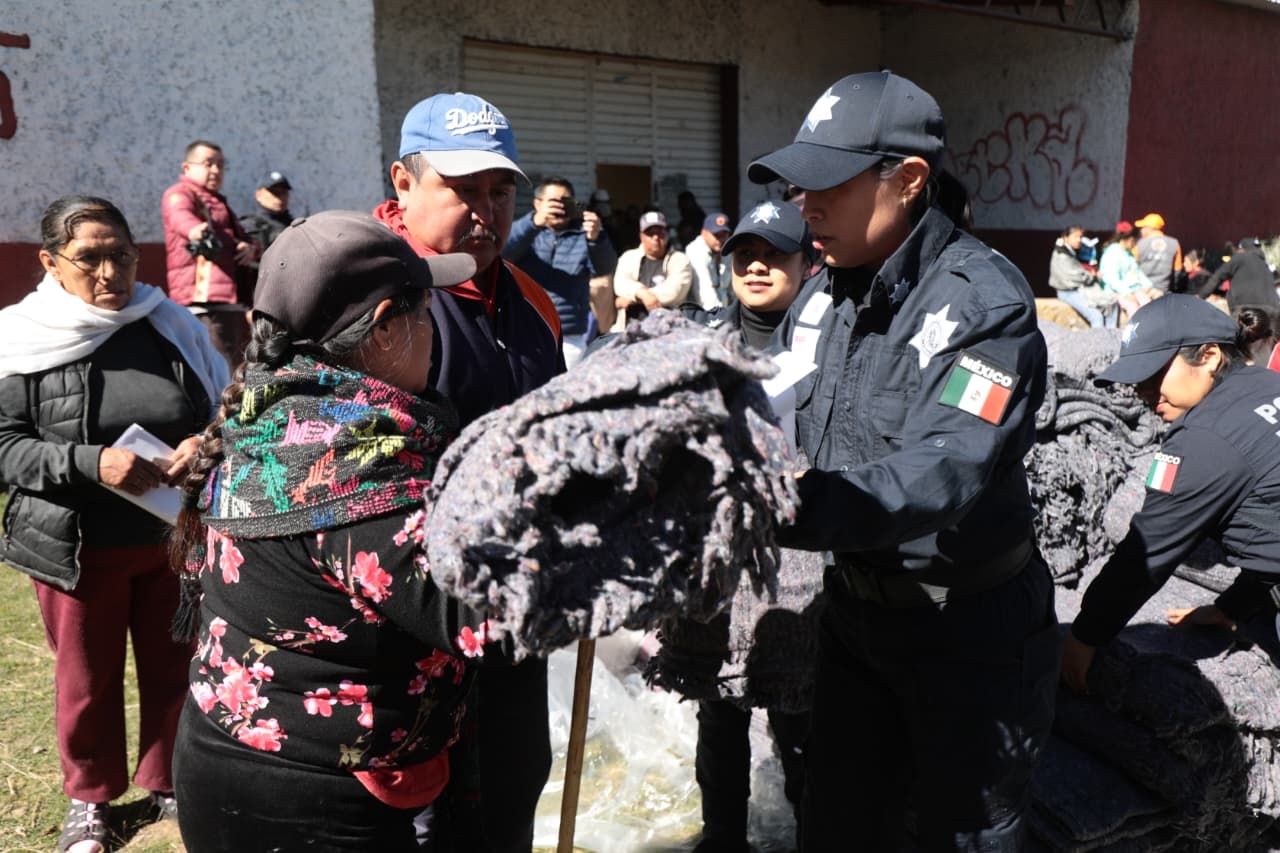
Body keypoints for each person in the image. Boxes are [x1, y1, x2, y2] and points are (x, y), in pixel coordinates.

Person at [751, 71, 1057, 851]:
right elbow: (770, 398)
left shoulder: (983, 305)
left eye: (827, 184)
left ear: (909, 179)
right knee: (840, 821)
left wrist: (781, 503)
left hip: (968, 631)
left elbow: (942, 468)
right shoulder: (822, 295)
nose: (803, 205)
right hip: (855, 616)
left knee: (969, 835)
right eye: (797, 183)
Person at [169, 211, 487, 851]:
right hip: (308, 800)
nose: (434, 329)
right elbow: (483, 611)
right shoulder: (353, 467)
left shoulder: (274, 411)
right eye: (424, 311)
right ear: (385, 327)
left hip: (232, 748)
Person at [0, 195, 229, 853]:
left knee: (173, 668)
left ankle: (169, 782)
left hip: (170, 537)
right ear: (50, 262)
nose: (110, 273)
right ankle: (90, 799)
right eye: (89, 259)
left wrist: (203, 444)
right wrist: (92, 462)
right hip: (78, 546)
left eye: (121, 255)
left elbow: (218, 409)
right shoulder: (23, 335)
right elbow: (5, 444)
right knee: (86, 679)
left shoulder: (168, 322)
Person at [372, 91, 562, 851]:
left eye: (500, 189)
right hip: (404, 627)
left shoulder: (536, 302)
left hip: (515, 613)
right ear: (403, 183)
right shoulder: (371, 304)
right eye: (462, 189)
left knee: (513, 788)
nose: (486, 210)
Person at [681, 199, 817, 853]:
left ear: (807, 262)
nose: (757, 266)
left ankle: (811, 829)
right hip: (718, 559)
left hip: (800, 562)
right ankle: (723, 836)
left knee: (800, 717)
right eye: (745, 254)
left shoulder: (829, 347)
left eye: (775, 254)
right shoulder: (699, 341)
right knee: (720, 709)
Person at [1060, 294, 1280, 692]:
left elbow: (1146, 554)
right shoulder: (1268, 384)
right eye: (1137, 381)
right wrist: (1231, 608)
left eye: (1154, 374)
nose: (1144, 393)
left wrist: (1084, 636)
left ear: (1210, 356)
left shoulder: (1204, 439)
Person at [161, 140, 258, 370]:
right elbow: (180, 218)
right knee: (218, 367)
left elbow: (243, 237)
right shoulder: (179, 194)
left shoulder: (219, 202)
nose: (216, 170)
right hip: (203, 299)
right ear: (187, 168)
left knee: (230, 363)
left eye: (221, 165)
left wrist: (250, 247)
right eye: (208, 164)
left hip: (228, 298)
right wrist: (196, 231)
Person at [503, 176, 617, 367]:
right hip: (523, 331)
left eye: (565, 201)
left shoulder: (585, 234)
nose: (560, 207)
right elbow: (502, 252)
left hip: (569, 336)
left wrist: (597, 238)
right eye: (553, 202)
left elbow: (605, 268)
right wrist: (535, 222)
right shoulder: (526, 231)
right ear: (537, 204)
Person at [610, 210, 693, 331]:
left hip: (669, 331)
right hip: (630, 330)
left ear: (667, 233)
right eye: (650, 233)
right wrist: (642, 293)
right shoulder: (628, 257)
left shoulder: (680, 259)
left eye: (660, 232)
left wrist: (634, 297)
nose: (656, 237)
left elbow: (674, 292)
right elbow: (620, 284)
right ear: (641, 236)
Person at [235, 170, 295, 305]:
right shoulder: (248, 226)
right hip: (261, 299)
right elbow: (244, 269)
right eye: (274, 192)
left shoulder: (296, 226)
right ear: (259, 195)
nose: (280, 197)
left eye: (284, 193)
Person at [1049, 224, 1116, 328]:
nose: (1078, 240)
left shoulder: (1072, 251)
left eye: (1080, 237)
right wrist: (1092, 276)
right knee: (1096, 316)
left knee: (1110, 304)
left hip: (1080, 289)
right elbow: (1075, 277)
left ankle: (1111, 337)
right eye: (1075, 237)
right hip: (1068, 292)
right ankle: (1100, 341)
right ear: (1066, 238)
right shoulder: (1062, 255)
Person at [1198, 236, 1280, 313]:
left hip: (1245, 308)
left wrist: (1200, 297)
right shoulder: (1265, 265)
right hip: (1273, 310)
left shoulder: (1240, 257)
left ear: (1241, 249)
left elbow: (1218, 277)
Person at [1098, 221, 1161, 321]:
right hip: (1115, 290)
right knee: (1133, 306)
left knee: (1147, 304)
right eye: (1135, 242)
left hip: (1132, 288)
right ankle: (1133, 333)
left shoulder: (1128, 253)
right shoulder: (1112, 253)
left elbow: (1137, 271)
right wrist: (1126, 293)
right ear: (1130, 240)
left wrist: (1147, 285)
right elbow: (1111, 278)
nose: (1135, 245)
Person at [685, 211, 734, 310]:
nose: (720, 239)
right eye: (716, 235)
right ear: (703, 233)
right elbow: (705, 292)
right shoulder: (695, 250)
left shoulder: (728, 251)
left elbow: (734, 289)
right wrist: (720, 316)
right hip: (701, 312)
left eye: (723, 235)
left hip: (725, 309)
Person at [1134, 212, 1182, 293]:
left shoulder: (1139, 244)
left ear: (1150, 228)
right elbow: (1177, 271)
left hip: (1142, 292)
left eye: (1143, 227)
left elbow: (1131, 267)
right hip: (1162, 292)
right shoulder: (1175, 244)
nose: (1141, 230)